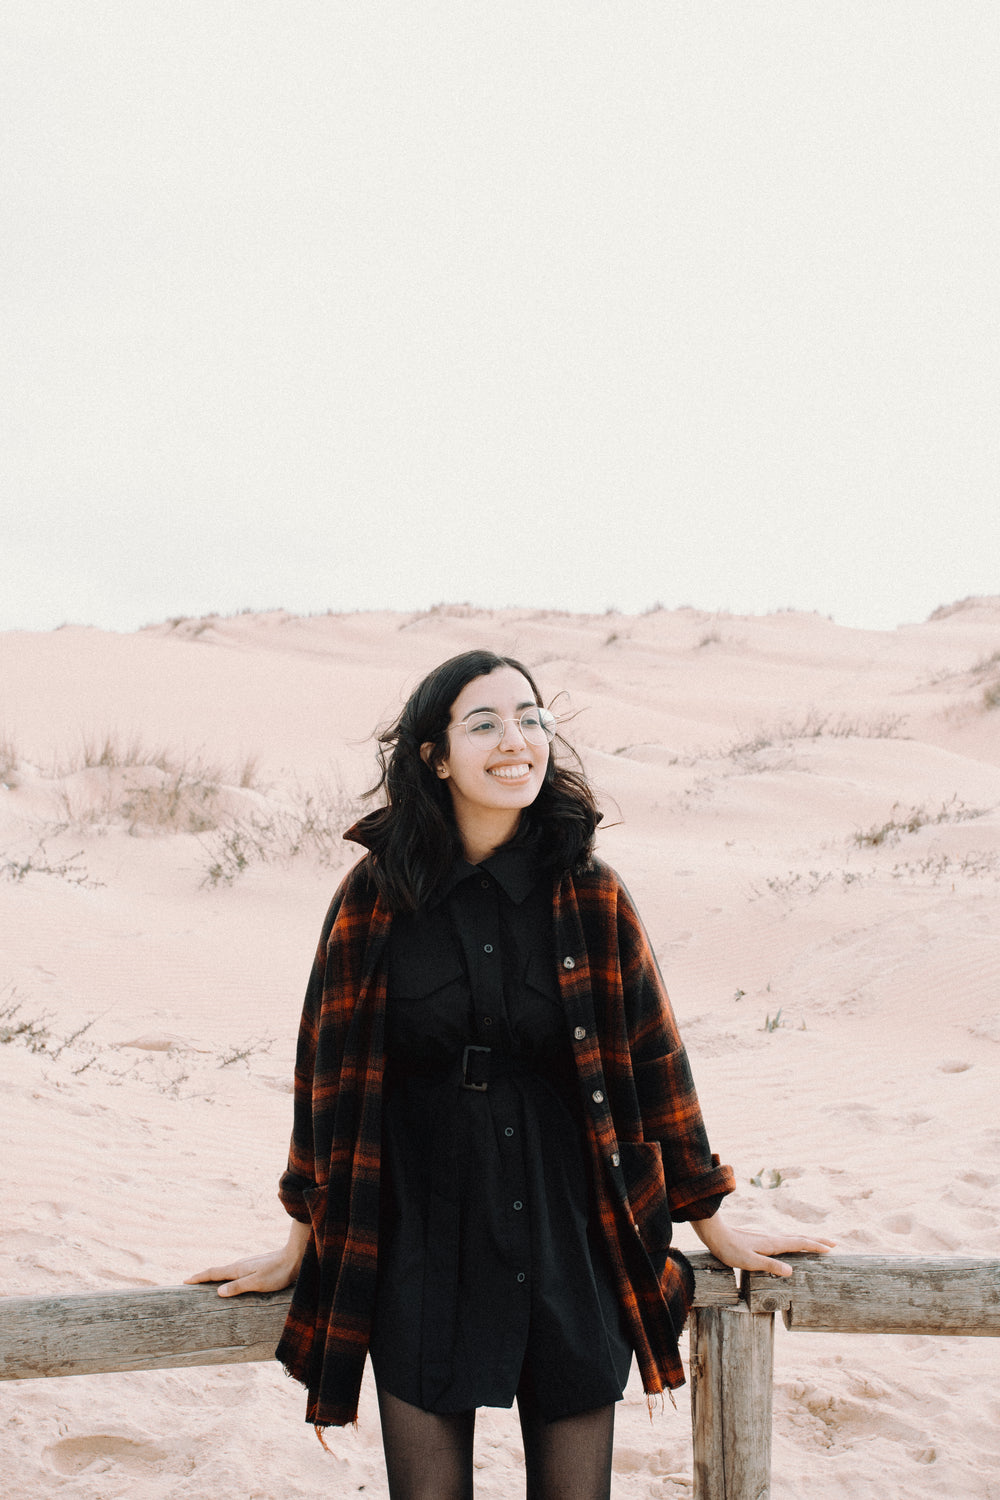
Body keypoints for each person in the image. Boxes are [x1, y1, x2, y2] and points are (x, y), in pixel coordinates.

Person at [188, 649, 832, 1500]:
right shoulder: (375, 896)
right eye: (484, 722)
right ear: (435, 754)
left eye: (531, 718)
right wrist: (298, 1241)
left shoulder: (591, 893)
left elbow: (654, 1060)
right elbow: (325, 1081)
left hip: (569, 1230)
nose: (515, 740)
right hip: (422, 1231)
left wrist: (709, 1219)